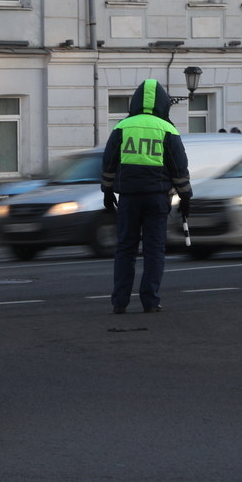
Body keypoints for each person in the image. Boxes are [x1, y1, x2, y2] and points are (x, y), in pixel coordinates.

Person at [101, 79, 191, 314]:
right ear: (163, 104)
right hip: (157, 198)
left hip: (129, 198)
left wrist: (107, 190)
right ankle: (150, 301)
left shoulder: (123, 126)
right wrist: (186, 197)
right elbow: (178, 167)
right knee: (154, 249)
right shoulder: (168, 129)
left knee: (125, 249)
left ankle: (120, 302)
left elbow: (109, 162)